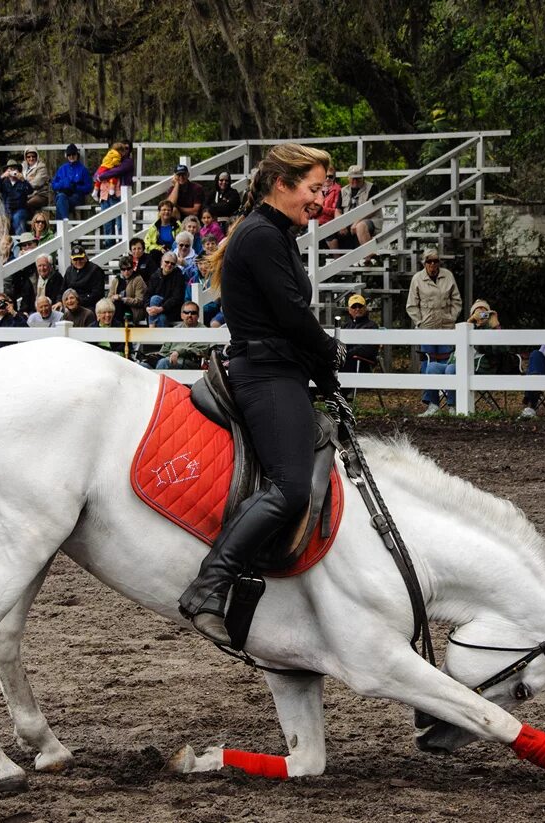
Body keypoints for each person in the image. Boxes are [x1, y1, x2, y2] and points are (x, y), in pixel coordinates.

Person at [177, 142, 341, 645]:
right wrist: (330, 353)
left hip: (280, 370)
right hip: (266, 375)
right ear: (282, 185)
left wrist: (323, 373)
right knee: (290, 487)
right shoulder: (263, 236)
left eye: (324, 189)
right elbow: (292, 316)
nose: (321, 199)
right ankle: (209, 585)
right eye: (314, 189)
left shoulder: (276, 234)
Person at [407, 249, 462, 416]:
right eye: (429, 261)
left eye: (435, 261)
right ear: (424, 263)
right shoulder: (417, 278)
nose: (433, 264)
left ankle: (452, 404)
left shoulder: (448, 276)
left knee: (450, 365)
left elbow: (456, 300)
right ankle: (432, 404)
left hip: (446, 328)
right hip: (428, 329)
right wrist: (420, 322)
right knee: (427, 365)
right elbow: (411, 305)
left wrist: (451, 317)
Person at [332, 165, 380, 249]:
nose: (355, 181)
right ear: (348, 178)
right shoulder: (343, 191)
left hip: (367, 220)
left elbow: (372, 210)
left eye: (358, 178)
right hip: (347, 222)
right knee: (329, 231)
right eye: (353, 178)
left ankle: (368, 259)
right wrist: (340, 224)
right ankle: (337, 259)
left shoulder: (372, 188)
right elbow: (337, 210)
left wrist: (356, 222)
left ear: (363, 177)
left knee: (360, 226)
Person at [153, 301, 205, 369]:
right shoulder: (175, 329)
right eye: (186, 312)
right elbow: (164, 351)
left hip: (189, 361)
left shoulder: (204, 331)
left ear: (198, 315)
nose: (189, 315)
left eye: (193, 313)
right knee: (143, 365)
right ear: (181, 315)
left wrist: (178, 352)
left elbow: (199, 351)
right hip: (169, 359)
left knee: (163, 363)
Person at [51, 144, 94, 221]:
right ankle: (66, 222)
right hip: (63, 194)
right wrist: (63, 184)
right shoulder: (62, 168)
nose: (71, 156)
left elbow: (89, 187)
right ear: (66, 156)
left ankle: (60, 227)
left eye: (73, 154)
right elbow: (53, 185)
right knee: (61, 198)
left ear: (77, 155)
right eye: (69, 155)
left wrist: (76, 187)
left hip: (76, 196)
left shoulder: (83, 169)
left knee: (60, 201)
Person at [146, 251, 186, 327]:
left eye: (172, 263)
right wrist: (147, 308)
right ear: (161, 262)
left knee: (162, 317)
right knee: (154, 300)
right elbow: (147, 295)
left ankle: (151, 326)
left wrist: (161, 308)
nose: (169, 265)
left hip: (171, 310)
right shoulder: (155, 276)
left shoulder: (178, 276)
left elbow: (177, 298)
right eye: (167, 262)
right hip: (154, 310)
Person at [0, 160, 34, 235]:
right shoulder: (3, 182)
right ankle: (2, 243)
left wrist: (23, 180)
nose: (12, 172)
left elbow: (30, 191)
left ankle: (21, 242)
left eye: (14, 169)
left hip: (20, 209)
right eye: (10, 169)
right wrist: (2, 176)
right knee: (1, 220)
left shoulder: (22, 182)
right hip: (7, 210)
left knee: (18, 218)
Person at [341, 293, 379, 370]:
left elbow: (366, 349)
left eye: (360, 306)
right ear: (349, 310)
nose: (357, 309)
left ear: (365, 308)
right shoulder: (345, 326)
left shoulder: (372, 326)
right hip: (346, 360)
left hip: (361, 362)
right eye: (354, 306)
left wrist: (346, 354)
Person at [110, 255, 147, 326]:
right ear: (120, 270)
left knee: (118, 303)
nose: (126, 271)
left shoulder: (138, 279)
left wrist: (123, 299)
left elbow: (140, 301)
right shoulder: (116, 280)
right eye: (123, 269)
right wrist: (113, 297)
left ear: (132, 268)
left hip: (134, 310)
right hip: (118, 308)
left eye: (129, 269)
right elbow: (109, 298)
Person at [22, 146, 51, 213]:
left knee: (27, 204)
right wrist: (30, 179)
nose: (31, 158)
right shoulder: (23, 167)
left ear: (37, 156)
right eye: (28, 157)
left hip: (40, 195)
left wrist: (24, 181)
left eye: (33, 156)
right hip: (26, 196)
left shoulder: (42, 167)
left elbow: (37, 183)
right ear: (25, 157)